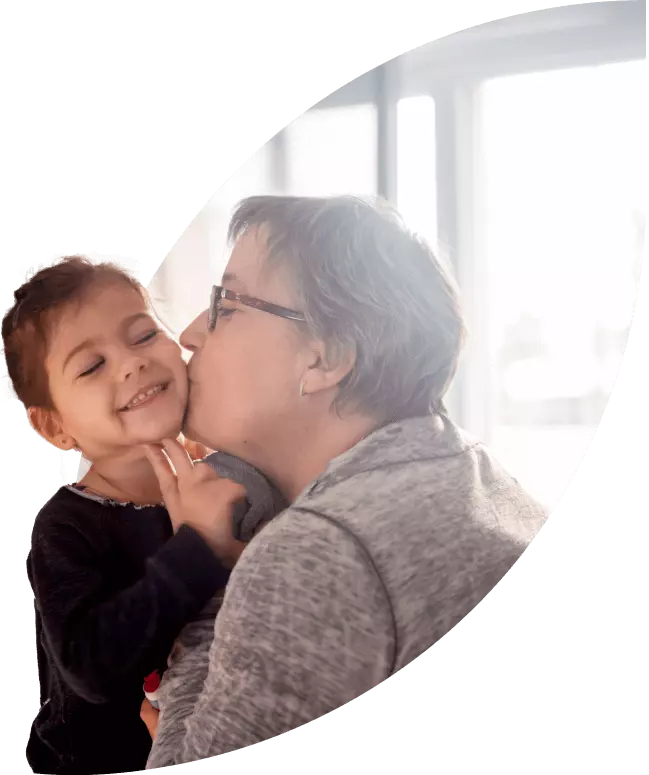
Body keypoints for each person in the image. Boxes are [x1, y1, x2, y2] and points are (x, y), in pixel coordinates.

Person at [144, 194, 549, 768]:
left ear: (325, 358)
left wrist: (204, 564)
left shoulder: (322, 549)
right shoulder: (482, 480)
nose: (188, 334)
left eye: (226, 304)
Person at [4, 255, 280, 775]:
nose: (131, 364)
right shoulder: (67, 528)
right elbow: (92, 668)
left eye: (144, 335)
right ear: (55, 426)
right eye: (92, 366)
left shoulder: (232, 476)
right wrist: (198, 547)